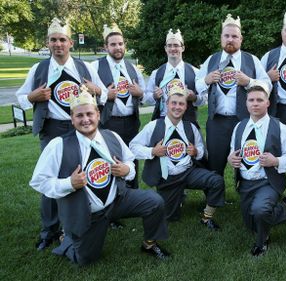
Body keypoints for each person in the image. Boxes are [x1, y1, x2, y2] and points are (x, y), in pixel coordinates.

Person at [29, 87, 170, 266]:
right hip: (87, 212)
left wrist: (126, 170)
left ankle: (149, 244)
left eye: (89, 113)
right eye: (79, 115)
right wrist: (69, 183)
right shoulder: (58, 145)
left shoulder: (111, 136)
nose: (85, 119)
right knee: (85, 259)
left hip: (117, 200)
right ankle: (69, 237)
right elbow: (39, 181)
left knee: (154, 201)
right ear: (72, 119)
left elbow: (129, 161)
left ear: (97, 114)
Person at [16, 18, 107, 251]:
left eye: (62, 40)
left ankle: (78, 225)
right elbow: (20, 97)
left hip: (82, 129)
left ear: (70, 43)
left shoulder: (85, 68)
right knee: (51, 177)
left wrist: (97, 91)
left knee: (83, 174)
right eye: (53, 40)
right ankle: (49, 230)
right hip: (53, 128)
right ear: (48, 43)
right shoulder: (39, 69)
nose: (58, 44)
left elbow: (104, 94)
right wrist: (31, 97)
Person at [130, 86, 225, 229]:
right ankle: (177, 197)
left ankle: (207, 217)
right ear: (167, 104)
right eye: (174, 103)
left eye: (181, 104)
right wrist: (152, 151)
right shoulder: (153, 125)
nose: (177, 107)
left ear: (186, 107)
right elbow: (132, 147)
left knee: (216, 181)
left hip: (188, 172)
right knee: (170, 217)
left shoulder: (191, 127)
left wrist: (195, 152)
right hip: (167, 178)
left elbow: (201, 150)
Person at [195, 14, 271, 176]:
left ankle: (246, 192)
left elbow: (267, 85)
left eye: (234, 36)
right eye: (226, 36)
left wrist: (249, 81)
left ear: (241, 39)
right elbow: (197, 85)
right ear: (221, 38)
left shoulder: (252, 60)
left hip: (244, 120)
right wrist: (206, 80)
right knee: (215, 160)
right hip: (217, 121)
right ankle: (214, 199)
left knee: (246, 156)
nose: (230, 39)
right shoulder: (211, 59)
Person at [227, 80, 286, 256]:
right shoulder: (239, 127)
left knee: (260, 211)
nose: (255, 104)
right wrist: (230, 158)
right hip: (246, 183)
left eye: (259, 100)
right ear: (246, 103)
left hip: (268, 182)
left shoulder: (280, 127)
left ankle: (262, 241)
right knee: (251, 223)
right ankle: (284, 207)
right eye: (251, 100)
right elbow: (231, 153)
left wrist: (276, 161)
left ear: (267, 103)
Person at [91, 23, 145, 191]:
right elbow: (88, 94)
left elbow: (144, 95)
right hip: (108, 122)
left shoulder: (133, 68)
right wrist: (105, 95)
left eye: (120, 44)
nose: (117, 47)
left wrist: (140, 93)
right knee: (111, 159)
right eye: (113, 44)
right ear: (106, 47)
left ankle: (133, 193)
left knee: (131, 158)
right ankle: (113, 195)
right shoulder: (95, 67)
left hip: (131, 122)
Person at [143, 29, 202, 128]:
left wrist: (194, 97)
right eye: (169, 46)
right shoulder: (156, 73)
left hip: (187, 121)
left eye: (176, 45)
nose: (172, 48)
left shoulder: (195, 72)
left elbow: (203, 99)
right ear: (165, 48)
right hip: (163, 121)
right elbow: (146, 98)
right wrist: (154, 96)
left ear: (182, 48)